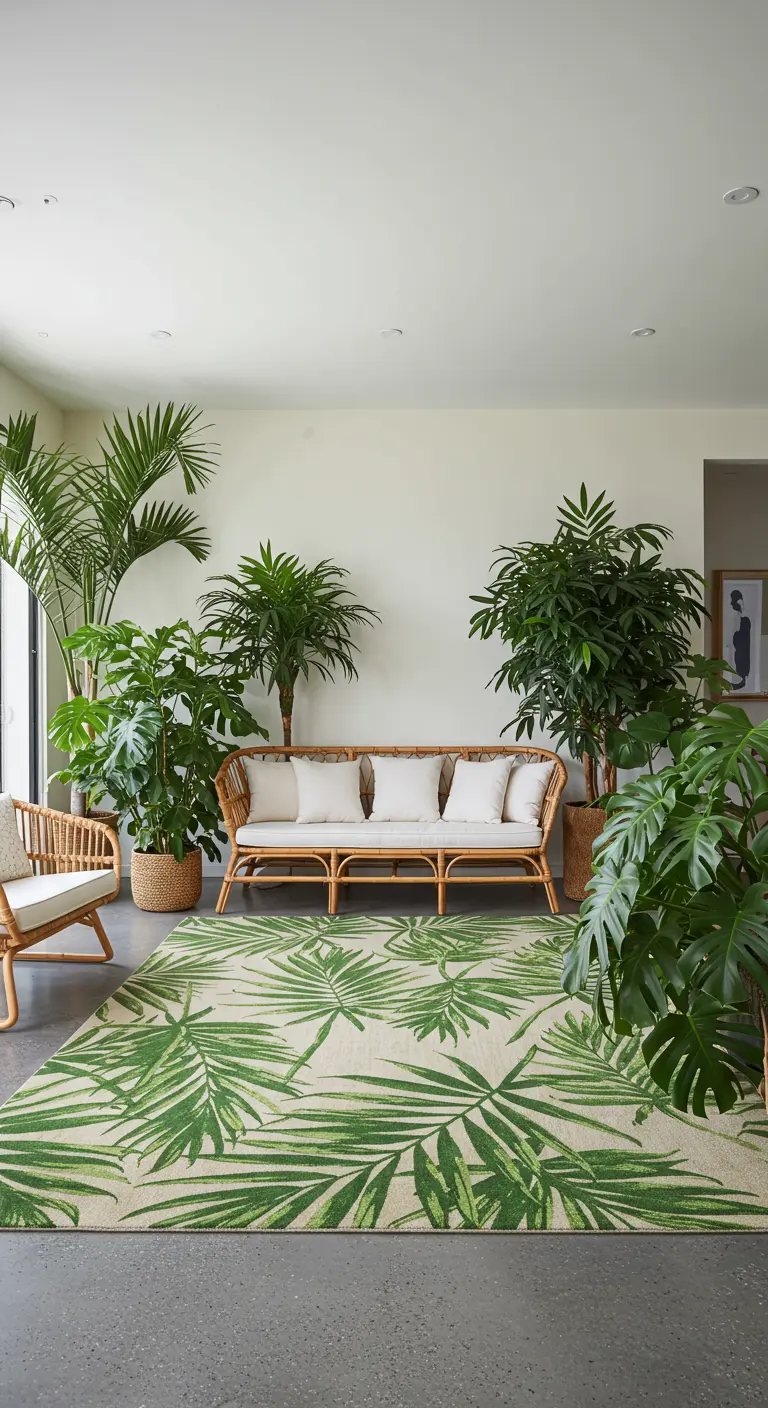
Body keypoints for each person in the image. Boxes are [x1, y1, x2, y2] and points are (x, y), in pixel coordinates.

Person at [730, 589, 751, 690]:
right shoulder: (738, 615)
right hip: (740, 645)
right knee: (739, 661)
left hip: (742, 645)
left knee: (741, 661)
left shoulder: (744, 617)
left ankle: (742, 680)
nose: (731, 603)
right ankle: (740, 681)